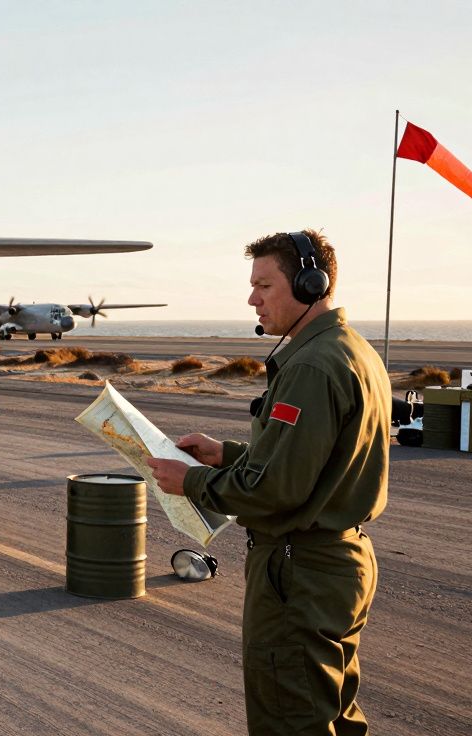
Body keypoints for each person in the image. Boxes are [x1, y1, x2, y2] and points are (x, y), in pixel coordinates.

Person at [145, 230, 389, 735]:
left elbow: (278, 490)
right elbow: (308, 462)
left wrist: (192, 482)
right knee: (332, 718)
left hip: (299, 573)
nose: (252, 298)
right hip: (335, 565)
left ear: (309, 283)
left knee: (292, 720)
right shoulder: (352, 350)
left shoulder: (312, 366)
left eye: (264, 284)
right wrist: (227, 454)